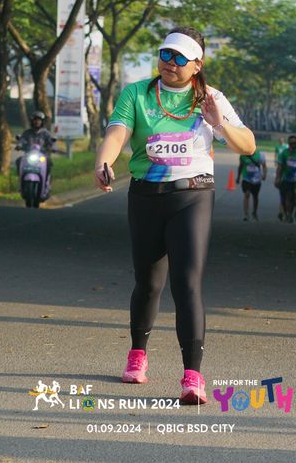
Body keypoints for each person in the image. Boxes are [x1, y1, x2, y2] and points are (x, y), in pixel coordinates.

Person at [94, 26, 255, 405]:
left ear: (197, 64)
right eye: (165, 54)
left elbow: (247, 145)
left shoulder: (211, 97)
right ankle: (137, 354)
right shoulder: (137, 93)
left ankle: (192, 376)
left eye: (180, 58)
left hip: (192, 195)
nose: (170, 62)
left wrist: (218, 121)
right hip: (146, 196)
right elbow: (117, 133)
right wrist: (103, 162)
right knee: (148, 283)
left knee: (187, 283)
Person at [274, 135, 296, 224]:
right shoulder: (284, 153)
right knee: (288, 197)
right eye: (291, 143)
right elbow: (280, 167)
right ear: (289, 143)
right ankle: (289, 214)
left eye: (295, 143)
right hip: (287, 179)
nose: (293, 145)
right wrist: (277, 178)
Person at [236, 149, 267, 221]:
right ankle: (246, 214)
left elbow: (264, 166)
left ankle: (254, 212)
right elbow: (240, 166)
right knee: (247, 194)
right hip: (246, 178)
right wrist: (238, 177)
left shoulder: (260, 155)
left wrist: (264, 174)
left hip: (257, 179)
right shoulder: (243, 155)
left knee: (255, 196)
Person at [274, 137, 288, 221]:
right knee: (283, 197)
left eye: (282, 140)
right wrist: (275, 160)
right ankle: (282, 212)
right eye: (279, 140)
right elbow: (276, 154)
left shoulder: (286, 147)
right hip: (283, 178)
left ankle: (284, 213)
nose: (280, 141)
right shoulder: (277, 147)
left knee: (286, 198)